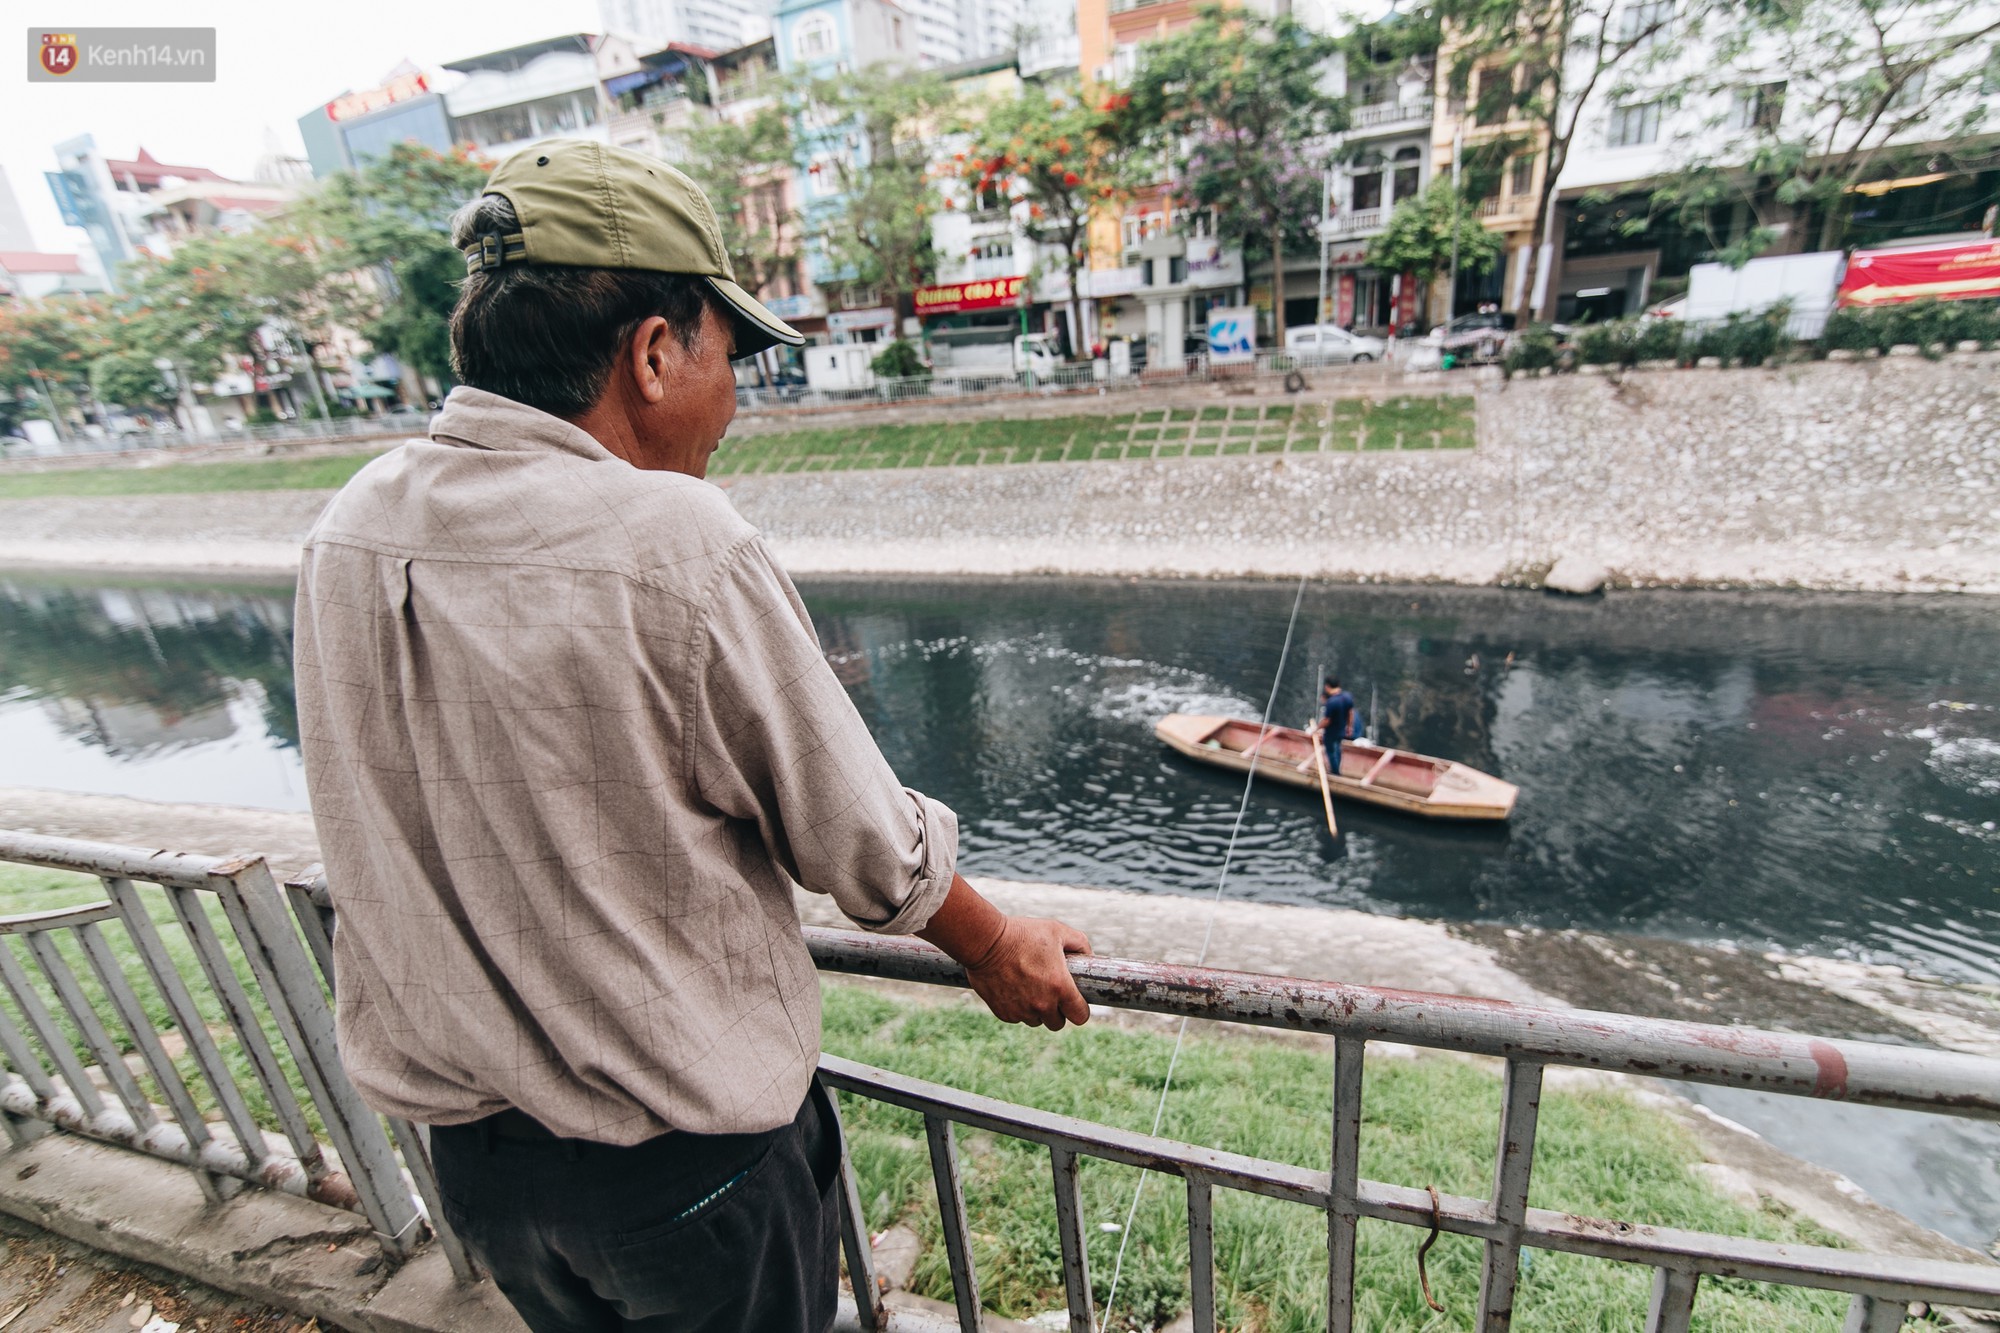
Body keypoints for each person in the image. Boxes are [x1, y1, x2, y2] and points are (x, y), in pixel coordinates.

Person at [292, 140, 1092, 1333]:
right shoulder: (673, 534)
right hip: (680, 1169)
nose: (735, 398)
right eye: (727, 354)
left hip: (477, 1161)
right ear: (654, 353)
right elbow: (863, 840)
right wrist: (989, 942)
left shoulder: (349, 525)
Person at [1315, 676, 1358, 777]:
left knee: (1330, 751)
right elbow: (1350, 713)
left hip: (1331, 732)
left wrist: (1316, 728)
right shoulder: (1347, 697)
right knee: (1338, 749)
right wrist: (1349, 727)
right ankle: (1337, 769)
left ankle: (1335, 773)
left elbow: (1327, 720)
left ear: (1327, 687)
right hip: (1341, 730)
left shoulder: (1331, 702)